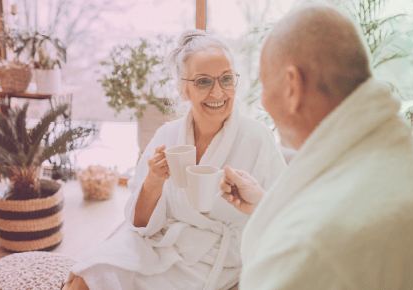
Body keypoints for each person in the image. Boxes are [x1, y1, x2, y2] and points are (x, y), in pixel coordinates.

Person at [220, 2, 413, 289]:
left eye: (262, 84)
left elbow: (328, 230)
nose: (262, 102)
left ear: (292, 86)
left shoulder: (307, 251)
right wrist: (266, 203)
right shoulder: (408, 156)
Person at [62, 30, 287, 290]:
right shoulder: (167, 136)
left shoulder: (257, 138)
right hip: (159, 241)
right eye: (203, 82)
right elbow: (140, 225)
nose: (218, 92)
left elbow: (285, 213)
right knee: (86, 276)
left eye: (226, 79)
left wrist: (257, 200)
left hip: (214, 257)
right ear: (183, 89)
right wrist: (154, 181)